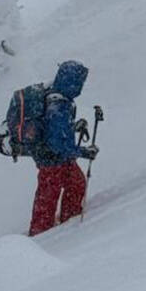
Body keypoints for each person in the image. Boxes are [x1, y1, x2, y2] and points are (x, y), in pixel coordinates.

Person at [28, 60, 98, 237]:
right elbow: (57, 143)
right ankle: (39, 238)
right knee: (48, 199)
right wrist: (83, 152)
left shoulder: (58, 98)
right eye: (80, 81)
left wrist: (74, 127)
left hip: (57, 159)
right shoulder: (57, 105)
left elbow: (57, 133)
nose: (81, 86)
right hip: (52, 161)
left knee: (75, 185)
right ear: (72, 81)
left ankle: (67, 224)